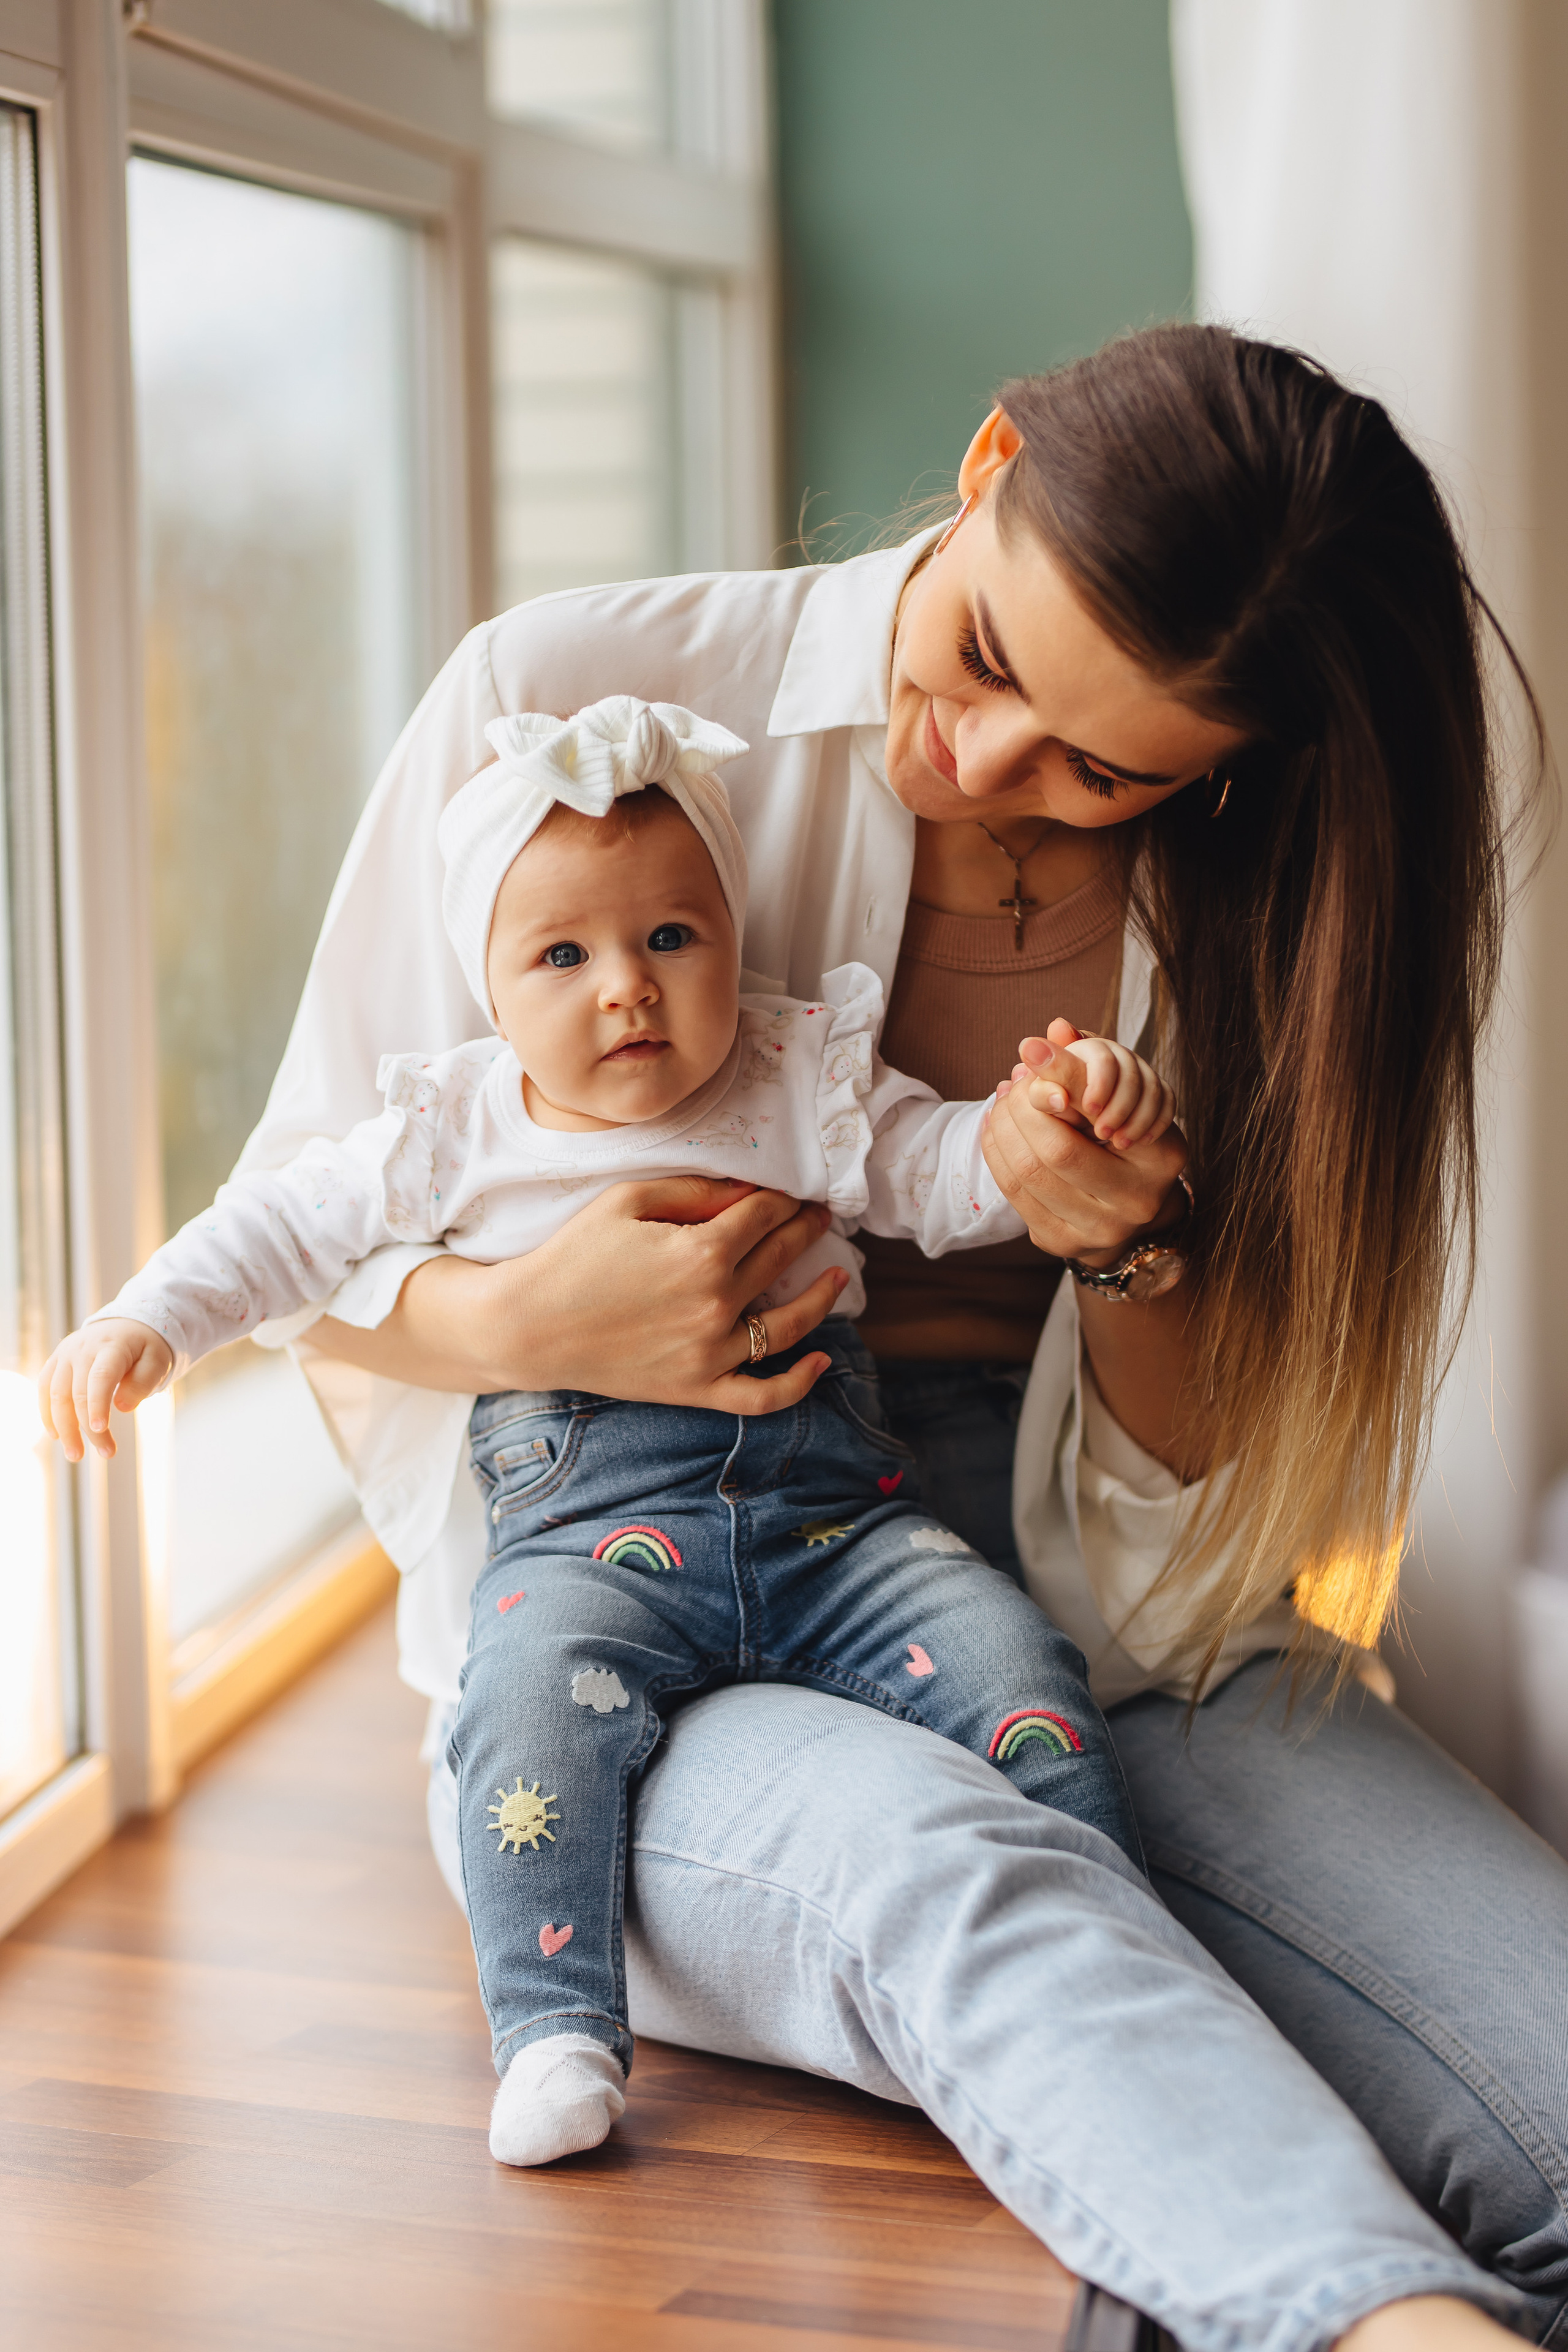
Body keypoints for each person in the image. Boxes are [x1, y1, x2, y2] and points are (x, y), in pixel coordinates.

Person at [100, 326, 1568, 2347]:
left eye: (1100, 763)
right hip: (632, 1611)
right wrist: (542, 1314)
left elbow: (1172, 1546)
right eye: (982, 654)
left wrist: (1132, 1247)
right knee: (960, 1875)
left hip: (1069, 1598)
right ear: (984, 466)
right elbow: (315, 1234)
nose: (977, 760)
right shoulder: (568, 707)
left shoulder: (1271, 917)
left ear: (1227, 773)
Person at [42, 693, 1164, 2165]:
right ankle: (556, 2030)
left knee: (1018, 1663)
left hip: (843, 1526)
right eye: (563, 956)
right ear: (491, 986)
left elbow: (938, 1177)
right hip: (588, 1551)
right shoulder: (454, 1125)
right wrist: (148, 1318)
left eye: (670, 939)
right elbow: (282, 1228)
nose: (627, 989)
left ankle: (1123, 1967)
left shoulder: (794, 1075)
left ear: (728, 937)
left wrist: (1036, 1132)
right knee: (517, 1717)